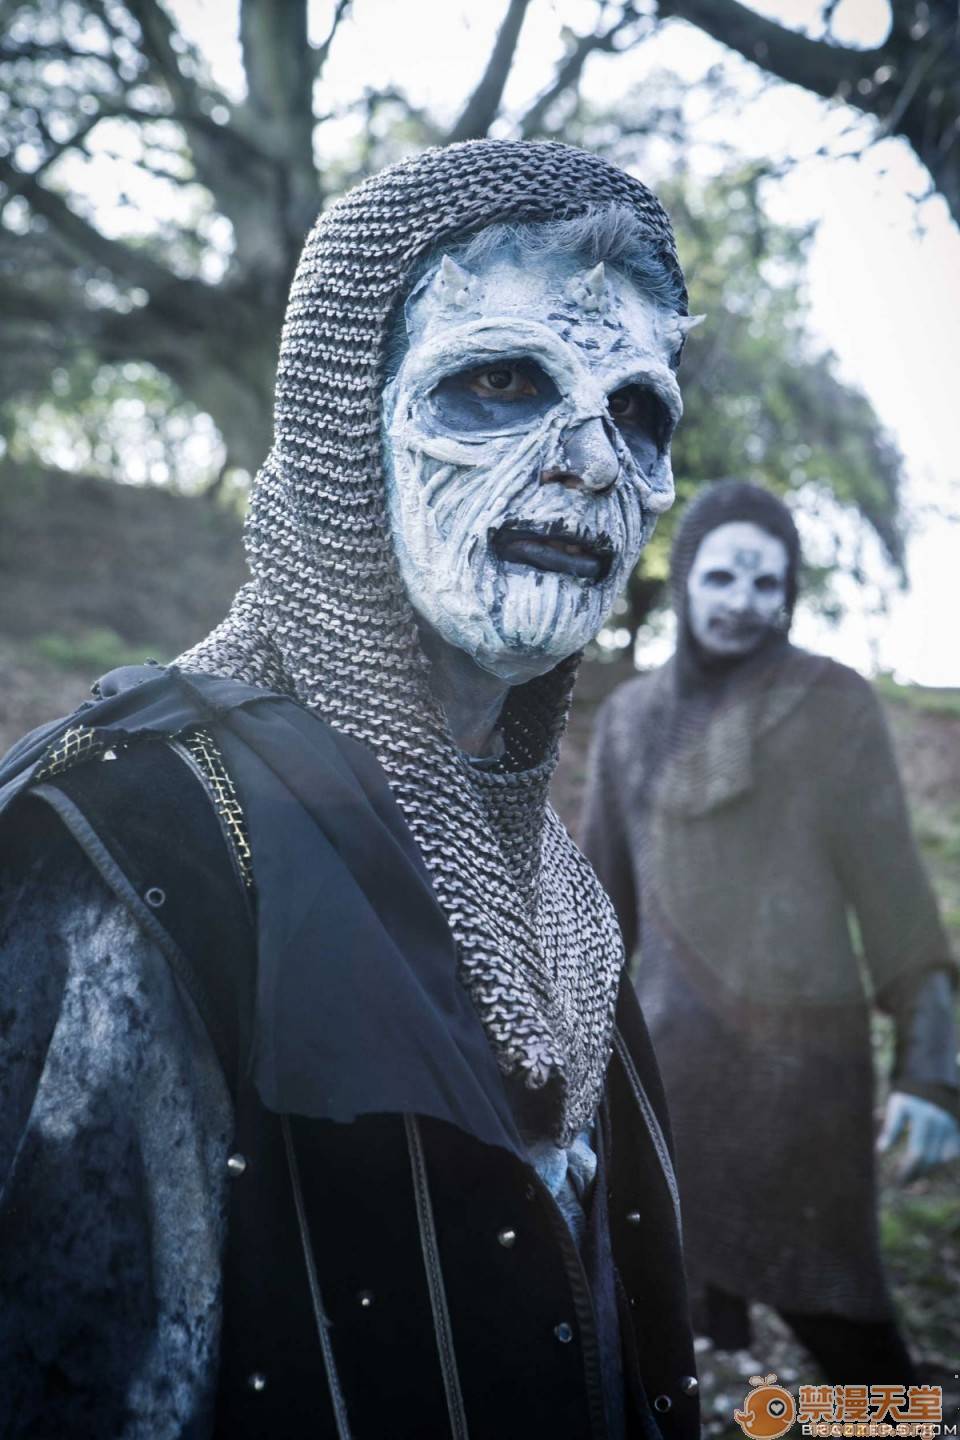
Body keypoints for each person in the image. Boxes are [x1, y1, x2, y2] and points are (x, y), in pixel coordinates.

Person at [0, 142, 705, 1439]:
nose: (595, 463)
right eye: (500, 381)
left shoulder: (561, 897)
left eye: (638, 412)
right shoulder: (135, 843)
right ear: (345, 429)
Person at [580, 480, 960, 1383]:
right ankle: (743, 1405)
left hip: (805, 1078)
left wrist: (931, 1070)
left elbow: (898, 904)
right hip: (673, 1077)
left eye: (766, 582)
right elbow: (596, 918)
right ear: (685, 580)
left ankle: (897, 1425)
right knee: (668, 1328)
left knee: (849, 1335)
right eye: (722, 577)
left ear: (789, 592)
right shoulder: (631, 721)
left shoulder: (834, 705)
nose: (743, 602)